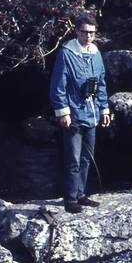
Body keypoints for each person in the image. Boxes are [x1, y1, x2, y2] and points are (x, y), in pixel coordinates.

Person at [49, 14, 111, 213]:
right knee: (73, 159)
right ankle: (70, 199)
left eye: (92, 33)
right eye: (84, 32)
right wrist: (63, 113)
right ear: (77, 31)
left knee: (87, 157)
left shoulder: (96, 53)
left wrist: (105, 109)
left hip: (91, 114)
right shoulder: (66, 53)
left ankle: (81, 194)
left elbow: (101, 83)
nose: (88, 36)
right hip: (74, 115)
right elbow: (58, 86)